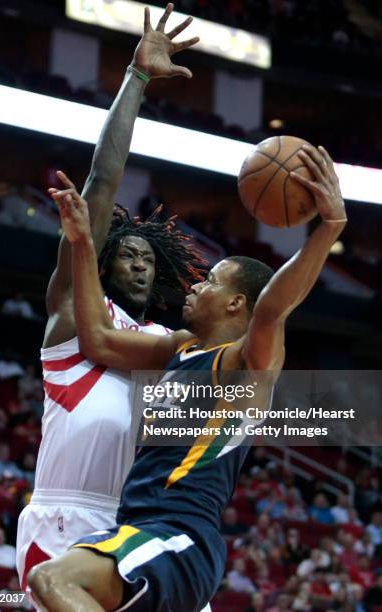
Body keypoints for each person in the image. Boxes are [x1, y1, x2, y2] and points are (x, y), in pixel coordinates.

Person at [28, 143, 347, 611]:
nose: (196, 283)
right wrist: (81, 244)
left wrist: (328, 229)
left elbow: (273, 309)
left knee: (53, 581)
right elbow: (95, 337)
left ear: (237, 303)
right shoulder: (180, 349)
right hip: (137, 528)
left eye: (212, 281)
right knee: (52, 582)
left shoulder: (246, 364)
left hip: (178, 533)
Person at [15, 1, 203, 594]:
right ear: (100, 259)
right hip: (65, 515)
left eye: (150, 259)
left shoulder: (164, 343)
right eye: (130, 254)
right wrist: (137, 79)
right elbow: (103, 179)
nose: (142, 264)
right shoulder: (76, 314)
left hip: (133, 521)